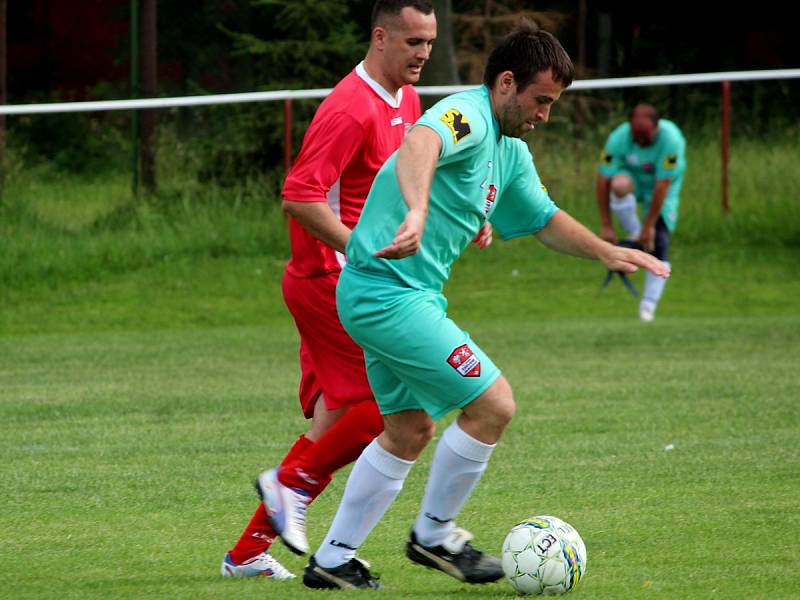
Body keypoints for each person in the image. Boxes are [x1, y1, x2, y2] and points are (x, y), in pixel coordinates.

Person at [300, 21, 670, 590]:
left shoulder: (509, 152)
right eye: (540, 100)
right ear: (505, 83)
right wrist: (417, 210)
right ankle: (434, 534)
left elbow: (545, 221)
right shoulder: (468, 114)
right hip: (387, 294)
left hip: (388, 295)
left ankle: (332, 559)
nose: (545, 114)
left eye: (553, 103)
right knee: (493, 405)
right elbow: (420, 143)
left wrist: (607, 251)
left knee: (408, 429)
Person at [220, 0, 438, 579]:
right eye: (413, 41)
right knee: (385, 411)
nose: (422, 54)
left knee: (332, 420)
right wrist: (358, 250)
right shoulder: (349, 109)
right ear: (380, 37)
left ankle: (245, 555)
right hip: (328, 280)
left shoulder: (407, 99)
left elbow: (404, 175)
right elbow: (298, 194)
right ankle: (285, 485)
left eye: (429, 43)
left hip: (341, 279)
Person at [596, 104, 686, 321]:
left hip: (664, 187)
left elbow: (662, 184)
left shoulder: (671, 139)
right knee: (618, 184)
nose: (641, 142)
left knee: (659, 241)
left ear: (657, 127)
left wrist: (649, 227)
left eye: (645, 136)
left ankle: (648, 306)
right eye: (636, 136)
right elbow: (603, 179)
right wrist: (606, 224)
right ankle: (637, 234)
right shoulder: (618, 137)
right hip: (635, 180)